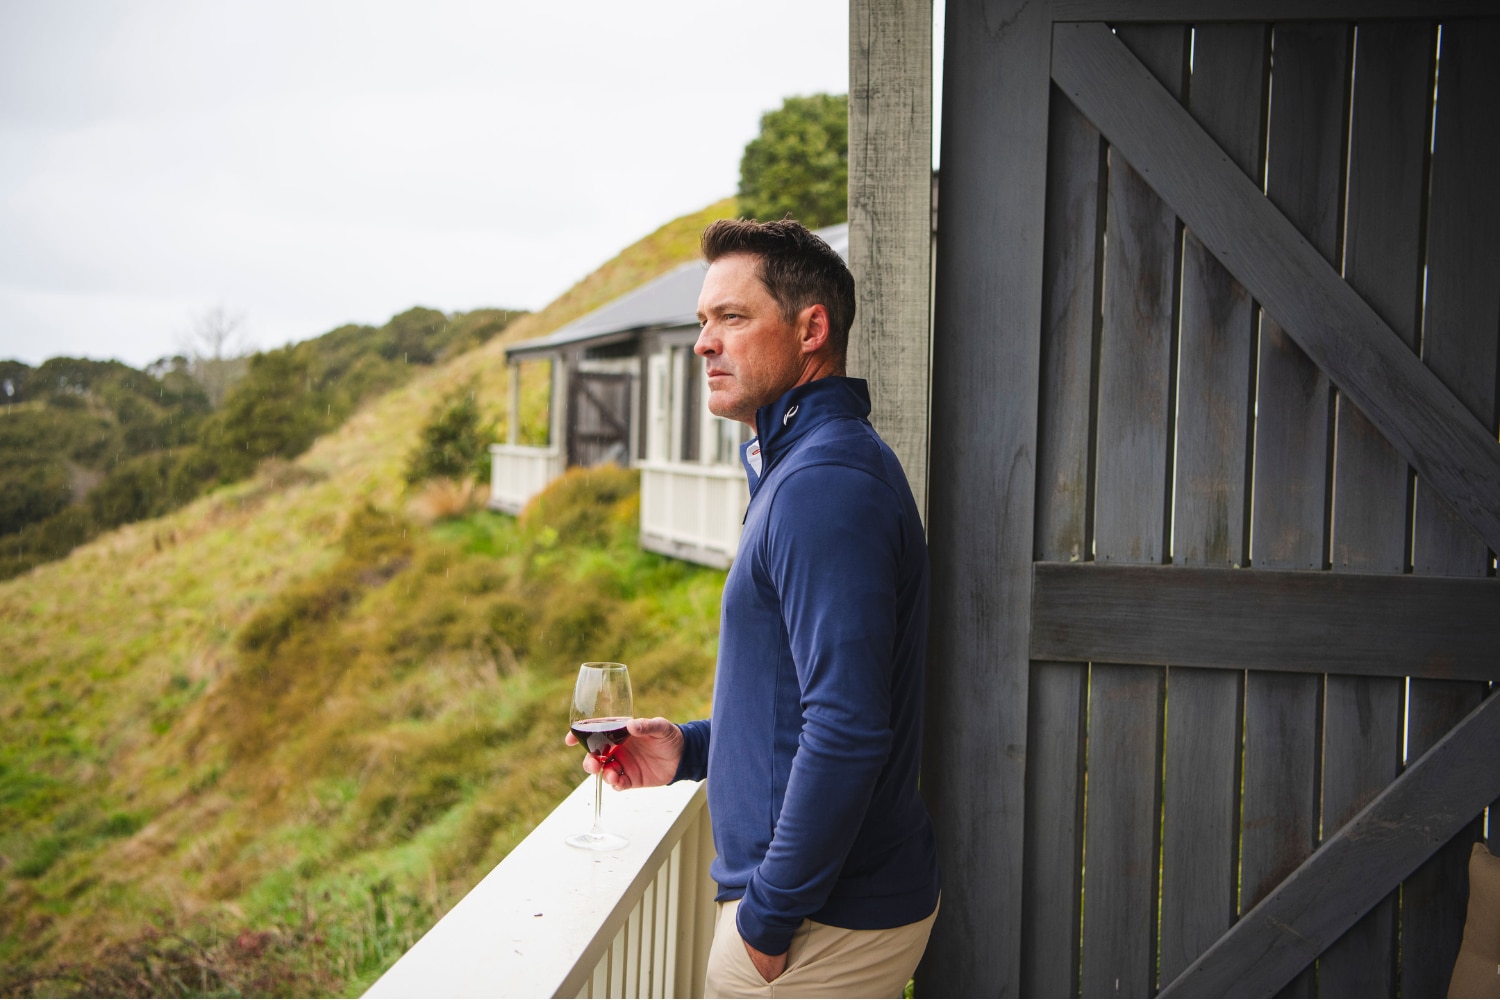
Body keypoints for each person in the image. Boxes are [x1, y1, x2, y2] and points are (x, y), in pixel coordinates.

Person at [567, 218, 940, 998]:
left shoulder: (823, 484)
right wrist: (692, 750)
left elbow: (846, 726)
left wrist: (767, 924)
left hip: (817, 927)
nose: (705, 342)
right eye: (703, 321)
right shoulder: (800, 467)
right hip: (815, 912)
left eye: (731, 318)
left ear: (812, 329)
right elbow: (799, 701)